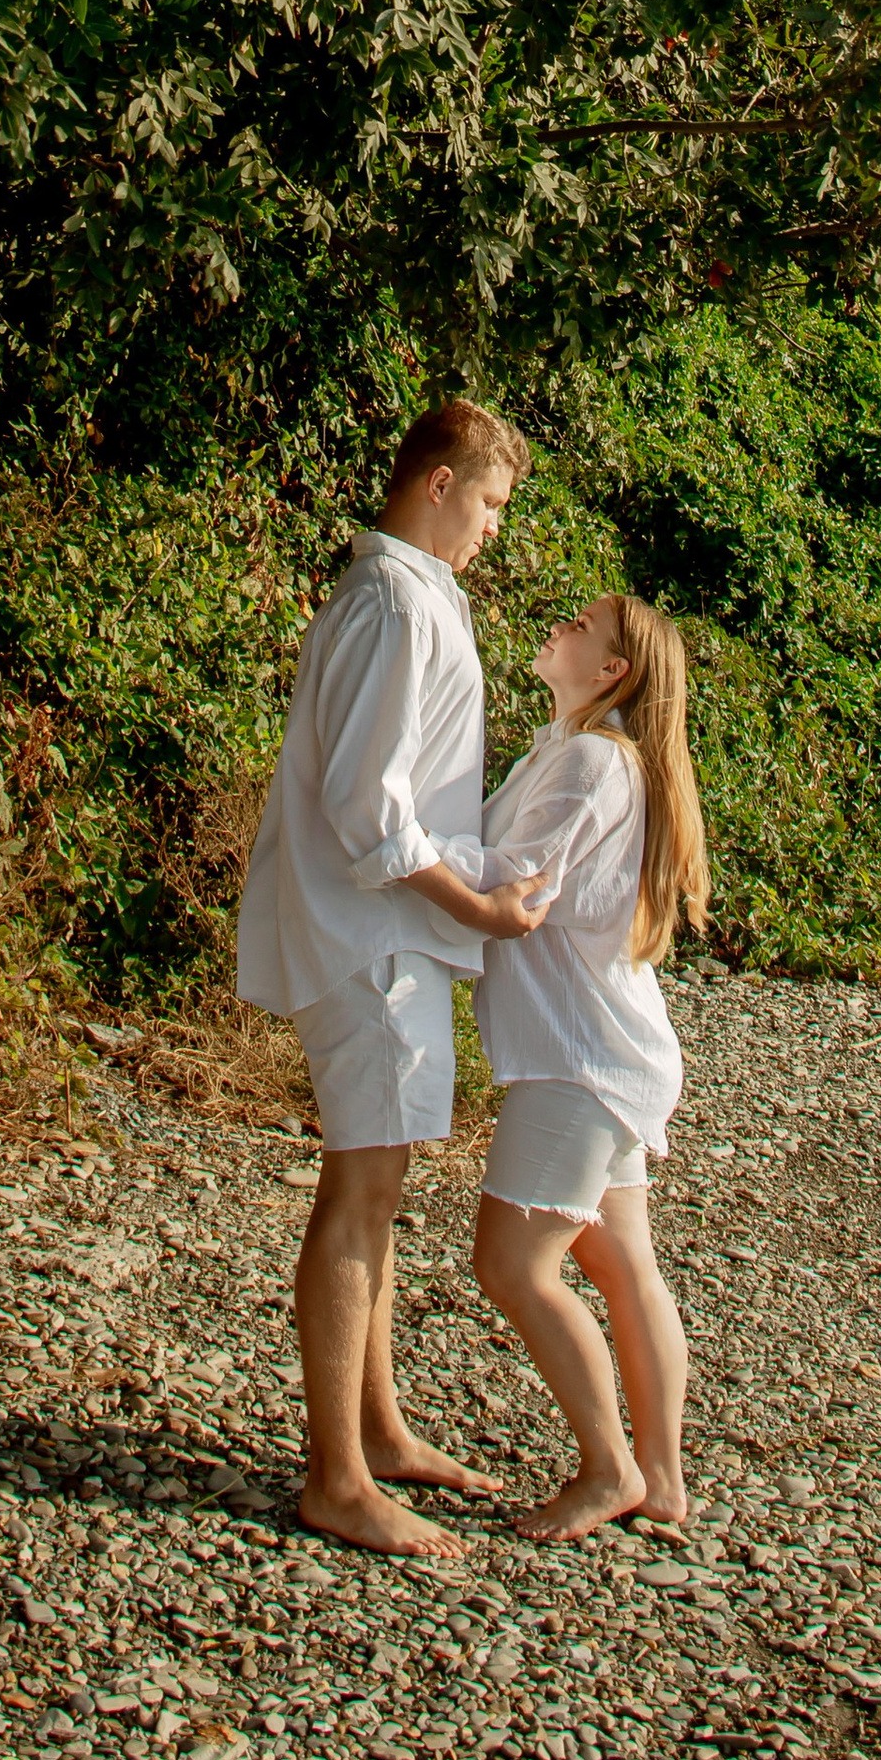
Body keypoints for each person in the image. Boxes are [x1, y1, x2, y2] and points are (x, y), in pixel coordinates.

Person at [236, 397, 550, 1557]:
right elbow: (367, 805)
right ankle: (336, 1479)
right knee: (360, 1190)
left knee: (378, 1183)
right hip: (368, 940)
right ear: (438, 483)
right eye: (489, 503)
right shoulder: (392, 604)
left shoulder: (416, 597)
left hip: (387, 938)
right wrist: (479, 908)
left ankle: (377, 1434)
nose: (493, 528)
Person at [470, 589, 710, 1541]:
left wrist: (395, 852)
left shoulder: (591, 761)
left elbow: (516, 881)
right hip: (611, 1051)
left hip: (578, 1061)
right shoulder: (578, 750)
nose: (559, 624)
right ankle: (663, 1480)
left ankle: (609, 1469)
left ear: (613, 670)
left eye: (581, 626)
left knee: (512, 1263)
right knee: (620, 1262)